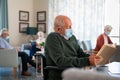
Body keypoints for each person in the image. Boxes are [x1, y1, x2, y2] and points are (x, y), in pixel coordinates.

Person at [44, 15, 103, 80]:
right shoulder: (52, 38)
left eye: (71, 26)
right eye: (68, 26)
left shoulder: (72, 38)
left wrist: (92, 58)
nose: (71, 28)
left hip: (75, 70)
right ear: (58, 29)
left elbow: (81, 54)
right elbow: (60, 61)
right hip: (61, 74)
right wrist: (87, 61)